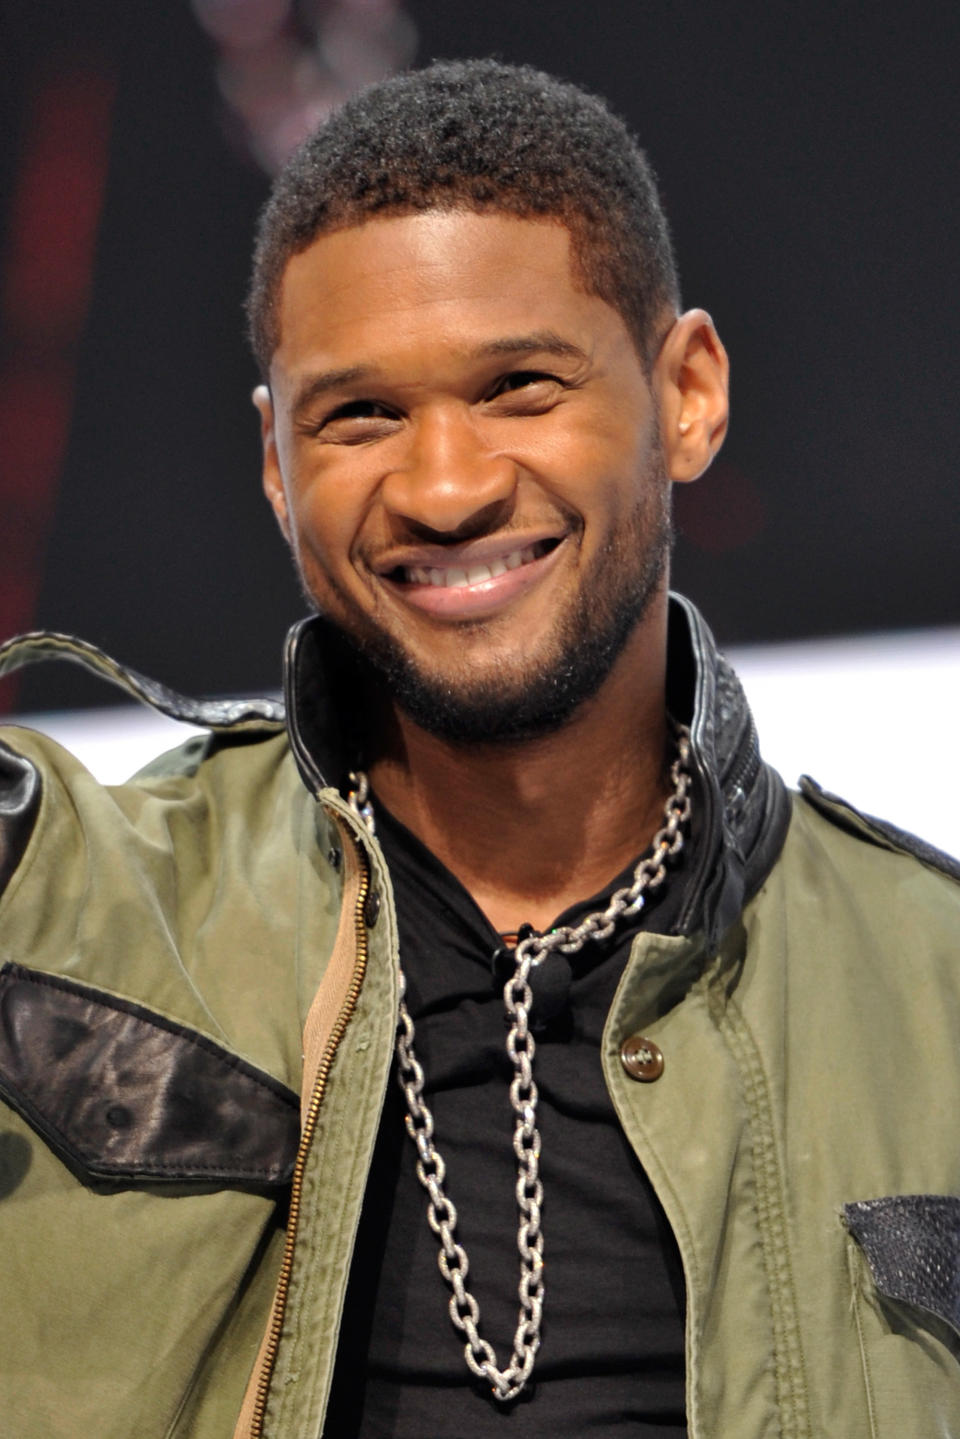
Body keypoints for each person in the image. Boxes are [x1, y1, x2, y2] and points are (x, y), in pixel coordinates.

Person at [1, 58, 958, 1439]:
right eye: (361, 415)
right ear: (278, 465)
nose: (445, 487)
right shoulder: (53, 909)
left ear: (687, 394)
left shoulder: (935, 989)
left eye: (519, 386)